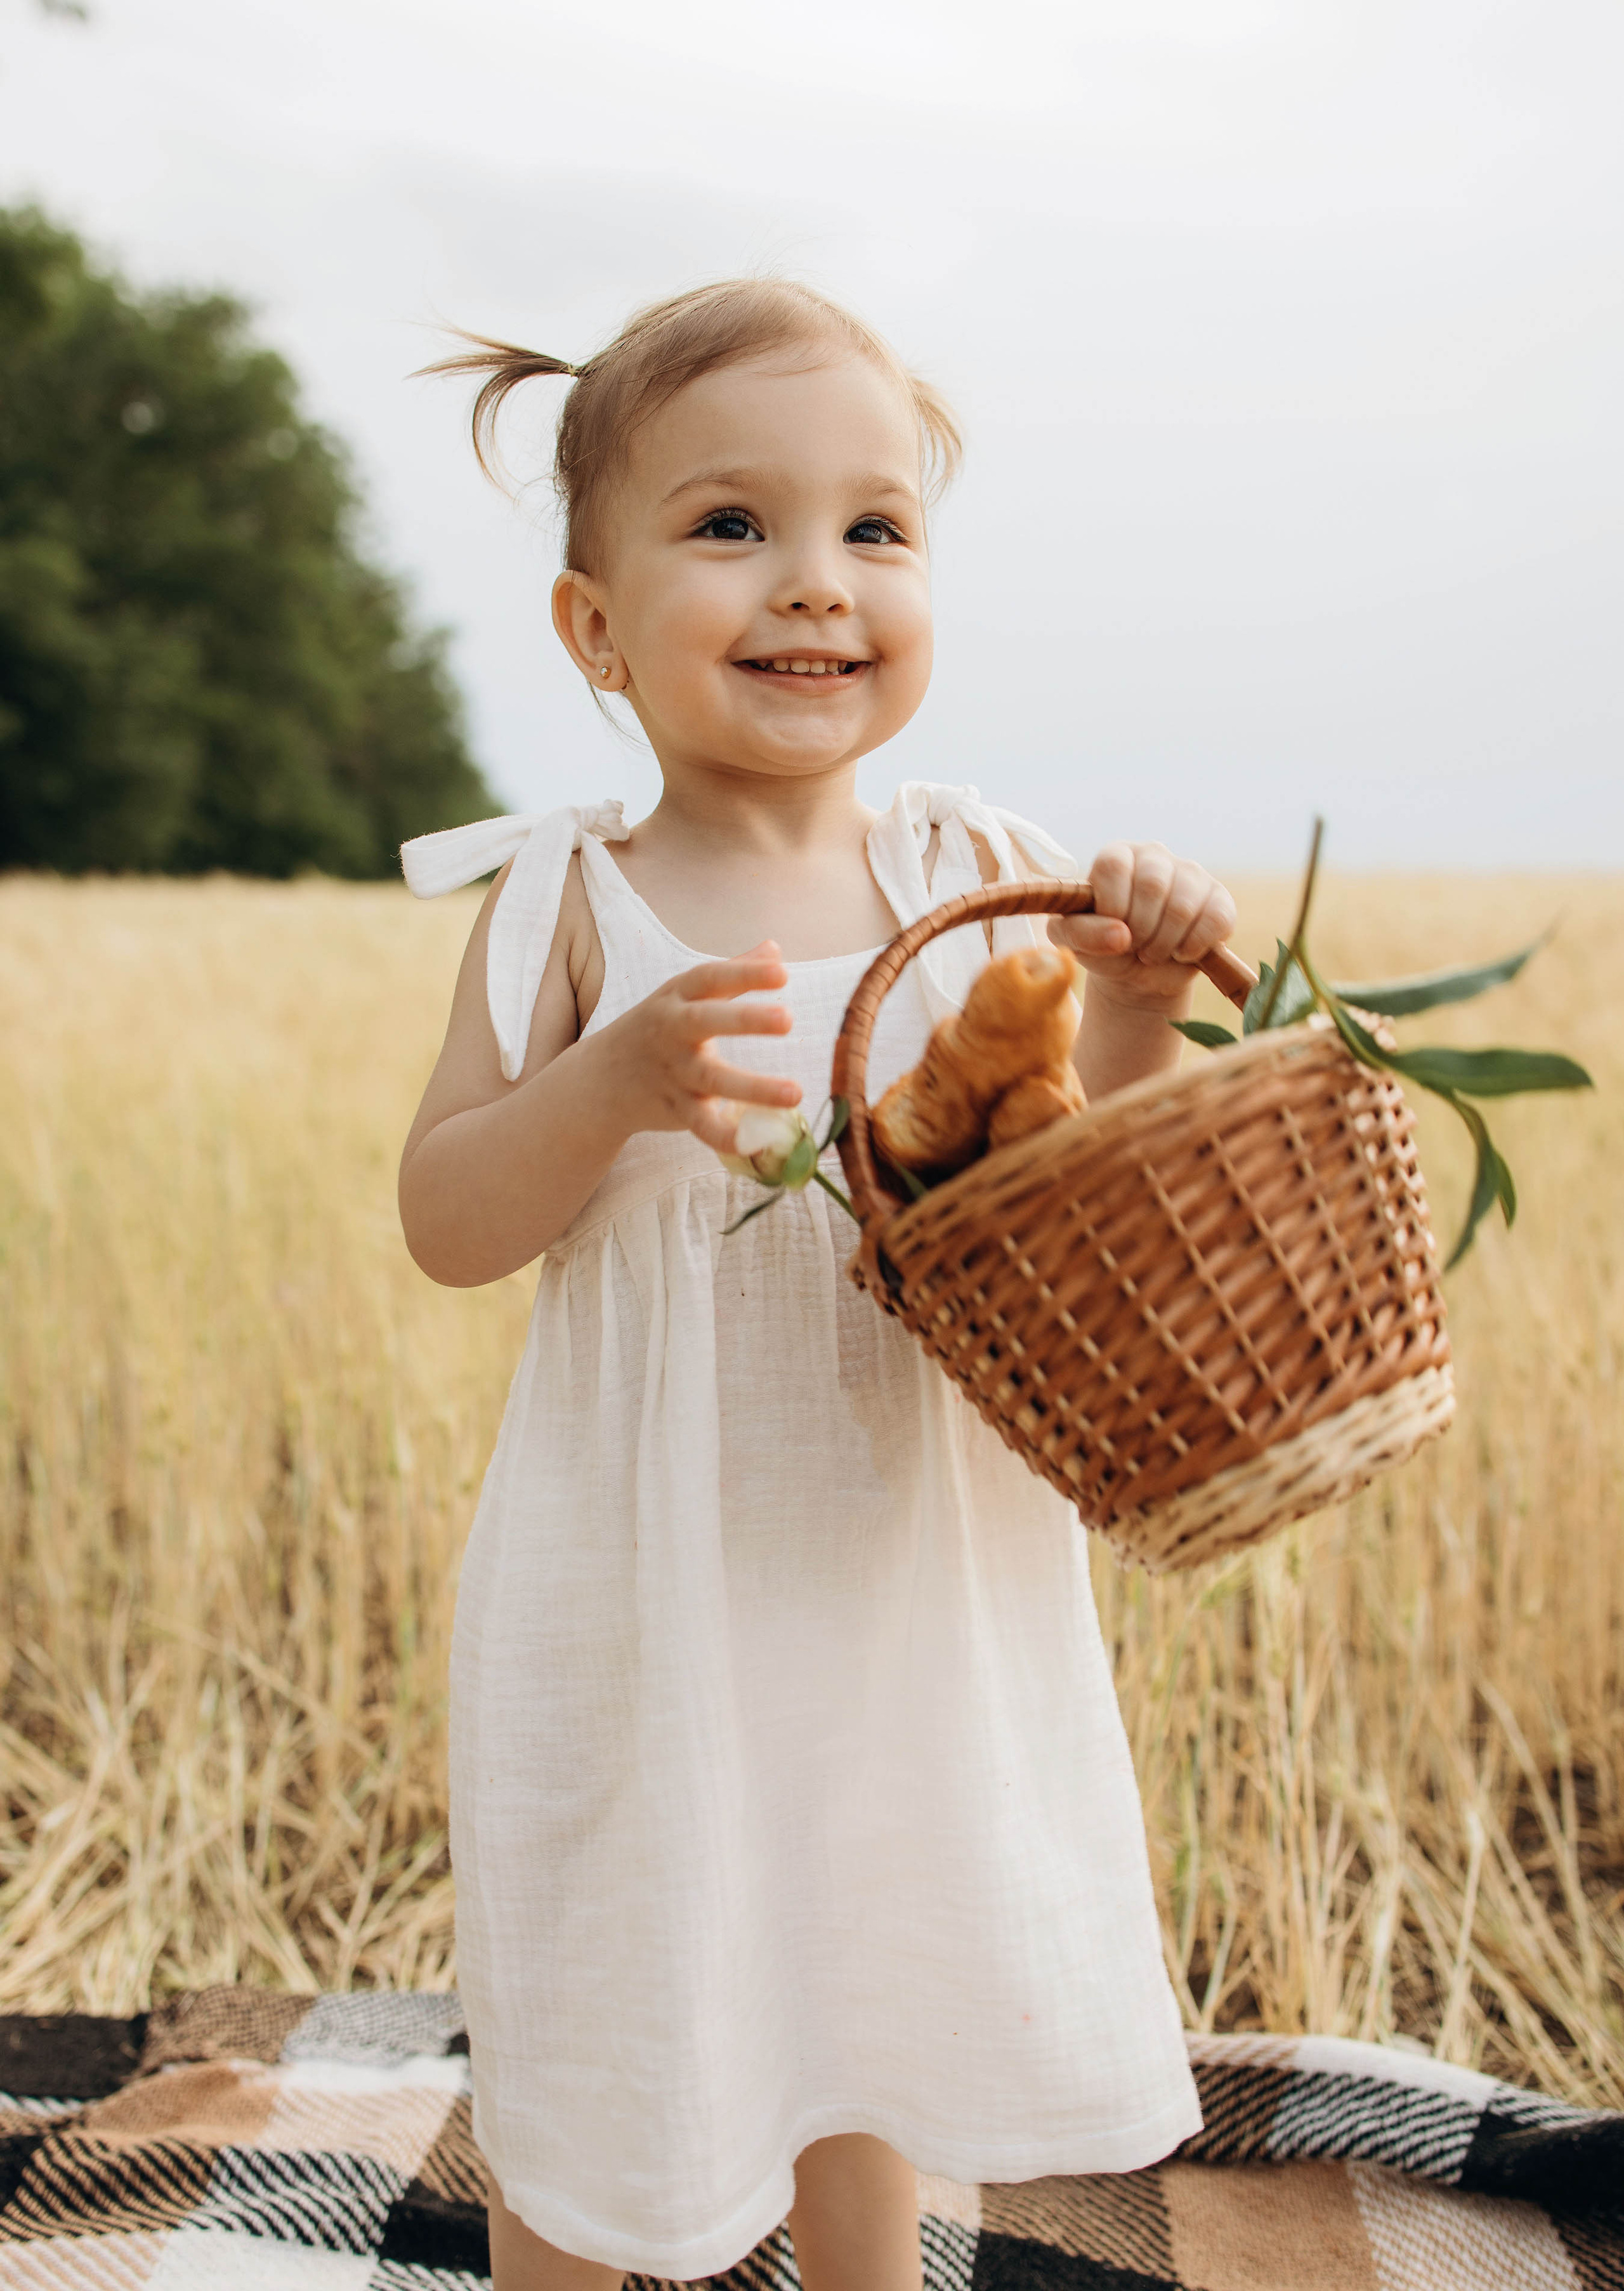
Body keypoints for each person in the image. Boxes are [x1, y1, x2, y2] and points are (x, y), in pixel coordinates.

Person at [397, 279, 1238, 2291]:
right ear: (593, 629)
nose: (814, 583)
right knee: (609, 1972)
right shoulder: (567, 901)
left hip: (900, 1585)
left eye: (875, 527)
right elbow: (443, 1214)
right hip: (638, 1582)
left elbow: (1074, 1190)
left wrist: (1130, 1002)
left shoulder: (978, 877)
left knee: (871, 1961)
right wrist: (606, 1086)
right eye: (729, 525)